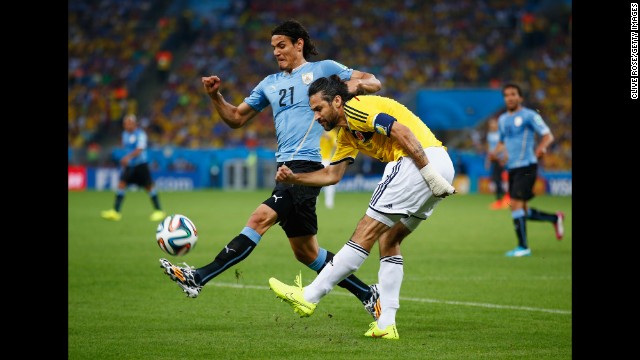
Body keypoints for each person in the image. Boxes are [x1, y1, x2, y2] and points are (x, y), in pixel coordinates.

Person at [159, 20, 384, 319]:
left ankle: (199, 277)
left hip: (305, 167)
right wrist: (215, 97)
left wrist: (355, 84)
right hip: (285, 169)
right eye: (273, 47)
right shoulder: (269, 83)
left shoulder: (323, 69)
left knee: (259, 218)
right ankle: (369, 294)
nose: (276, 52)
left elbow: (373, 81)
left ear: (298, 44)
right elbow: (236, 118)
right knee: (307, 253)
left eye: (282, 46)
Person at [268, 75, 456, 340]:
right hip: (439, 164)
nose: (316, 117)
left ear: (336, 101)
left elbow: (401, 132)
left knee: (365, 231)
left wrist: (428, 172)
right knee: (389, 239)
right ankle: (386, 323)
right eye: (313, 111)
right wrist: (294, 178)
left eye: (319, 109)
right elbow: (332, 176)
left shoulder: (356, 107)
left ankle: (309, 296)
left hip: (419, 161)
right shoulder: (346, 134)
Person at [488, 83, 564, 257]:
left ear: (520, 97)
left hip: (527, 165)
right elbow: (501, 142)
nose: (510, 97)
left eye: (513, 94)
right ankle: (555, 218)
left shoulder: (529, 115)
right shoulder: (502, 120)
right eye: (507, 95)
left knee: (515, 205)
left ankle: (523, 247)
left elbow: (548, 135)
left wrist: (541, 148)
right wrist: (494, 154)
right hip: (512, 167)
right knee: (521, 209)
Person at [101, 114, 166, 222]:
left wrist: (127, 157)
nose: (127, 125)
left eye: (129, 123)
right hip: (130, 165)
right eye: (125, 123)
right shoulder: (125, 134)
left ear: (134, 123)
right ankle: (116, 212)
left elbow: (139, 149)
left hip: (141, 165)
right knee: (121, 184)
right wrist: (126, 158)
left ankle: (159, 211)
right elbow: (127, 148)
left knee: (148, 187)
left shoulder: (140, 134)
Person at [485, 117, 510, 210]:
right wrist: (487, 161)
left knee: (500, 180)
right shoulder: (489, 135)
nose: (492, 126)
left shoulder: (500, 134)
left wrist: (504, 157)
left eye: (493, 124)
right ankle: (500, 200)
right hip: (493, 160)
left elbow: (504, 146)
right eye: (490, 124)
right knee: (496, 180)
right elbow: (489, 149)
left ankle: (503, 200)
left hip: (500, 160)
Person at [319, 128, 338, 209]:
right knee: (314, 182)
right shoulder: (315, 132)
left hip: (326, 160)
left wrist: (329, 138)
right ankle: (313, 202)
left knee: (329, 182)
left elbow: (336, 145)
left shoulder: (331, 133)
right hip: (316, 160)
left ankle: (329, 203)